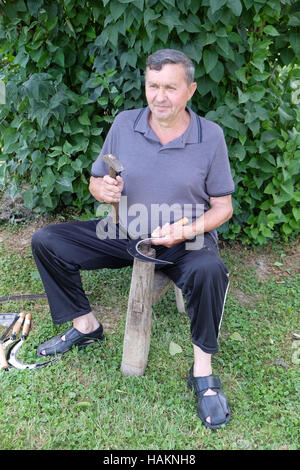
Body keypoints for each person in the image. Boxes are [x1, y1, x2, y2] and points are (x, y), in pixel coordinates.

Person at [31, 49, 234, 430]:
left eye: (170, 88)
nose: (160, 97)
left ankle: (204, 375)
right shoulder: (125, 124)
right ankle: (86, 327)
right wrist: (102, 189)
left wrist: (186, 231)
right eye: (152, 86)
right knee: (47, 240)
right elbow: (97, 178)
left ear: (190, 90)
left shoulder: (211, 137)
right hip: (126, 231)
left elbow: (223, 207)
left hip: (185, 238)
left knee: (210, 270)